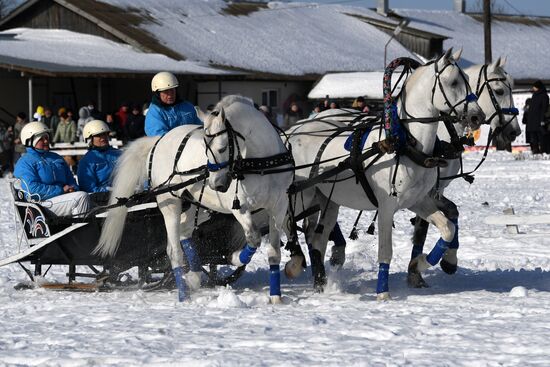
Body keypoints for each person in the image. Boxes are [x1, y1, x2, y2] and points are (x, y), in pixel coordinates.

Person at [13, 121, 91, 217]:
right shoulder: (24, 162)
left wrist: (73, 188)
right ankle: (82, 231)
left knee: (93, 202)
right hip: (41, 204)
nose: (46, 141)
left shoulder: (56, 157)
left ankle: (86, 229)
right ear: (30, 141)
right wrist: (61, 190)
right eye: (41, 139)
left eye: (46, 138)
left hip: (62, 199)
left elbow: (70, 179)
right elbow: (31, 190)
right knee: (81, 198)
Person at [144, 71, 202, 136]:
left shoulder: (188, 107)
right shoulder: (155, 112)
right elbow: (158, 135)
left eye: (172, 91)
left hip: (191, 144)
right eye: (165, 92)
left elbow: (199, 128)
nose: (170, 95)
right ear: (157, 93)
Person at [77, 120, 122, 195]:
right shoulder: (86, 161)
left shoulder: (119, 153)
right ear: (90, 139)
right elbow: (89, 188)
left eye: (105, 134)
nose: (103, 137)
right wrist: (109, 191)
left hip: (127, 193)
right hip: (103, 199)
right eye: (98, 135)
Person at [525, 80, 549, 154]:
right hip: (532, 120)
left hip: (539, 120)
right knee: (533, 137)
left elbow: (544, 108)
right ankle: (535, 151)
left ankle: (543, 151)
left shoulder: (544, 96)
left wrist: (542, 119)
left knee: (541, 137)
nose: (533, 88)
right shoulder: (534, 95)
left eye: (534, 87)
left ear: (538, 87)